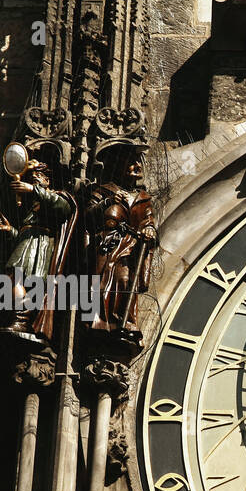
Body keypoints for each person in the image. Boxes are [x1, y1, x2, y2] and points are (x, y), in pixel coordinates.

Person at [0, 161, 78, 343]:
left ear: (47, 180)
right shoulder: (34, 206)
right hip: (28, 244)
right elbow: (26, 231)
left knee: (29, 281)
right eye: (31, 178)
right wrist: (10, 230)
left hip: (40, 246)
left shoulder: (57, 197)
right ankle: (20, 318)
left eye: (38, 176)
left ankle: (22, 319)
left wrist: (32, 189)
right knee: (13, 277)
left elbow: (64, 209)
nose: (34, 179)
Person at [83, 146, 156, 349]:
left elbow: (148, 221)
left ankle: (124, 323)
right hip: (106, 244)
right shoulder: (105, 190)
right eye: (131, 162)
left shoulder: (143, 198)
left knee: (125, 280)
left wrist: (149, 230)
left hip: (128, 246)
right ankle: (99, 322)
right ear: (120, 166)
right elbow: (88, 215)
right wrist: (108, 202)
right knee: (101, 282)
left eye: (138, 162)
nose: (137, 166)